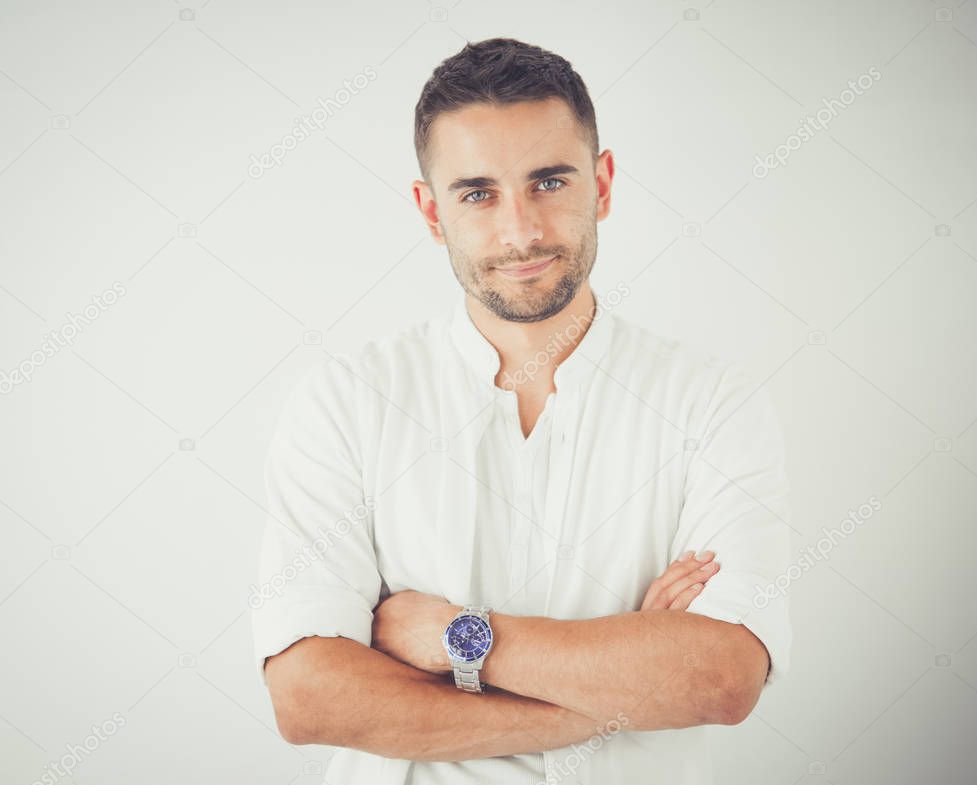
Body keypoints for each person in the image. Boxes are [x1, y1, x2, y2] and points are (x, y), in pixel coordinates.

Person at [251, 37, 792, 785]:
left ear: (601, 184)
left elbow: (721, 679)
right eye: (477, 193)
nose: (521, 231)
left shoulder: (711, 403)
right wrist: (628, 686)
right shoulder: (344, 403)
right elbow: (309, 698)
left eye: (548, 181)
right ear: (430, 211)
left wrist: (451, 638)